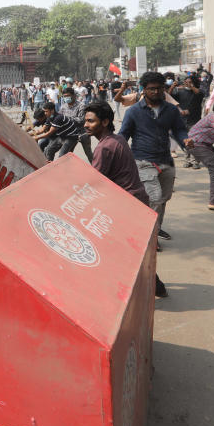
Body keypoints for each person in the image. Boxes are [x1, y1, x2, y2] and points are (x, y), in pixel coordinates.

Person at [83, 101, 167, 297]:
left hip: (126, 204)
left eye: (90, 121)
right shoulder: (117, 139)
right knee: (131, 250)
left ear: (104, 122)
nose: (86, 125)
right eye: (85, 121)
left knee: (122, 251)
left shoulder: (105, 147)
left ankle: (143, 289)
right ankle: (155, 286)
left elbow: (93, 181)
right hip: (136, 200)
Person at [118, 72, 189, 242]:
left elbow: (179, 129)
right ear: (143, 90)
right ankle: (149, 238)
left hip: (165, 161)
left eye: (159, 89)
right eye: (151, 89)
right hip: (143, 161)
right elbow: (123, 135)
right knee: (154, 198)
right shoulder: (133, 111)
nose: (156, 92)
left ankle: (155, 229)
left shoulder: (171, 110)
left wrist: (185, 140)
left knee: (163, 199)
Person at [171, 73, 205, 169]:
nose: (188, 84)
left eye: (190, 82)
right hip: (182, 121)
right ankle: (187, 160)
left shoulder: (198, 92)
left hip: (195, 120)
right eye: (187, 82)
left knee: (194, 141)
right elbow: (169, 97)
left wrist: (192, 86)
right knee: (185, 141)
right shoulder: (181, 92)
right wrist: (172, 86)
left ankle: (195, 161)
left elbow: (199, 93)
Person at [56, 87, 93, 162]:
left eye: (68, 96)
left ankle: (97, 170)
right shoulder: (63, 106)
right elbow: (59, 118)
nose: (66, 98)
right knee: (65, 155)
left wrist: (66, 119)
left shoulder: (81, 105)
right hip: (70, 134)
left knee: (88, 153)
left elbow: (81, 120)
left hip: (82, 133)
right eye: (65, 96)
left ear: (74, 96)